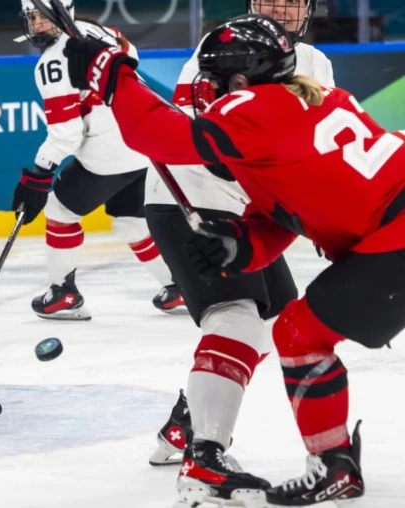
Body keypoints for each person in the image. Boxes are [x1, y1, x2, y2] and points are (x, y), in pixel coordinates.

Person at [63, 13, 405, 506]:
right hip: (390, 229)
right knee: (294, 329)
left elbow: (156, 136)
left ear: (241, 80)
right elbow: (286, 214)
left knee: (296, 332)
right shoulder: (310, 97)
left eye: (217, 83)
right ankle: (332, 465)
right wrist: (239, 245)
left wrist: (112, 75)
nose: (211, 93)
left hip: (394, 234)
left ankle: (331, 465)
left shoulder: (253, 106)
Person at [144, 0, 332, 475]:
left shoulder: (316, 63)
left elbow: (320, 141)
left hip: (250, 212)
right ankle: (205, 456)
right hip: (189, 196)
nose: (282, 8)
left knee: (279, 319)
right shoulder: (225, 48)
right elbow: (206, 145)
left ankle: (188, 419)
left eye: (294, 0)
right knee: (236, 317)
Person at [12, 0, 178, 320]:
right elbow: (132, 58)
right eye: (31, 18)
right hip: (144, 139)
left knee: (61, 211)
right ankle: (178, 286)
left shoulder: (51, 64)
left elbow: (66, 134)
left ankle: (63, 293)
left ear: (60, 15)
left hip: (109, 153)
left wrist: (38, 174)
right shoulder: (102, 31)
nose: (36, 26)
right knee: (130, 222)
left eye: (41, 18)